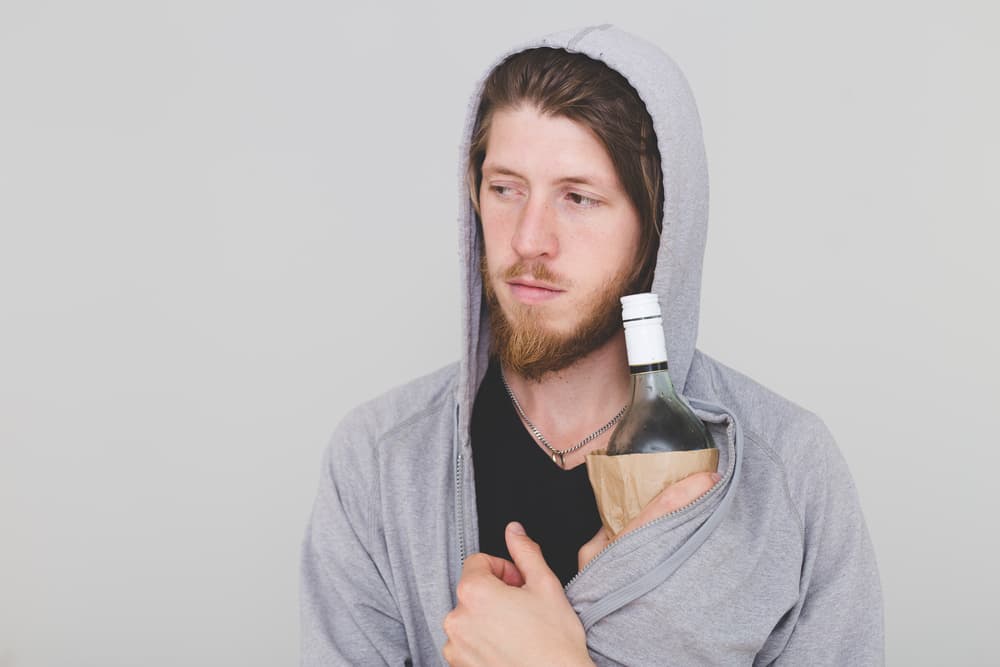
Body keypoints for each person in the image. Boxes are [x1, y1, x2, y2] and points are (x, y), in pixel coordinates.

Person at [300, 23, 884, 666]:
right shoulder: (380, 463)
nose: (529, 239)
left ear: (657, 231)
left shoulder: (790, 474)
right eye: (505, 188)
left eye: (578, 198)